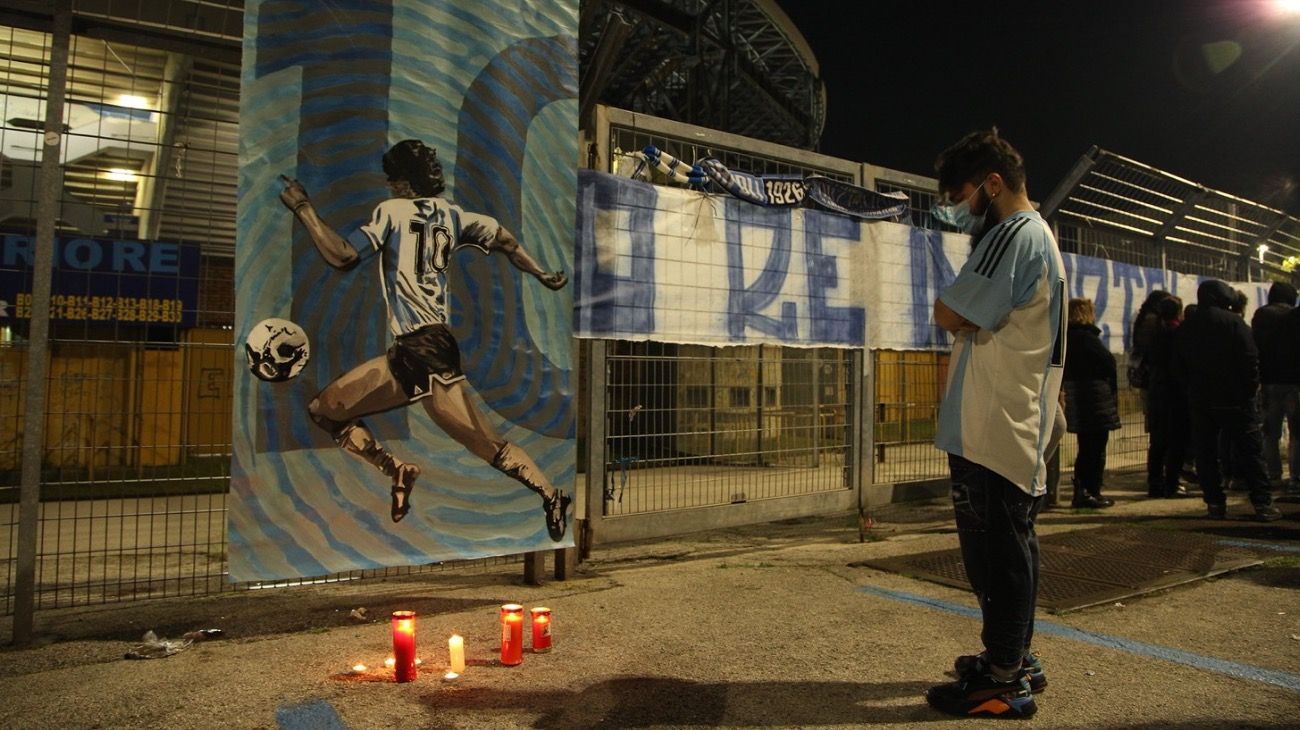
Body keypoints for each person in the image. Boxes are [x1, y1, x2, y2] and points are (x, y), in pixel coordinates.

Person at [279, 139, 573, 540]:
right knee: (326, 410)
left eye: (391, 180)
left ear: (400, 183)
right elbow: (505, 241)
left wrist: (304, 209)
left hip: (428, 351)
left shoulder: (392, 211)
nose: (387, 187)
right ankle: (397, 470)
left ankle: (551, 494)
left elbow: (344, 255)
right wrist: (541, 273)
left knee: (488, 445)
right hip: (408, 351)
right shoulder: (454, 215)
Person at [927, 128, 1065, 719]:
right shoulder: (1037, 234)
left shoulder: (1012, 232)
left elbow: (950, 311)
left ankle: (1002, 681)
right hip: (1007, 416)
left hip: (995, 421)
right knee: (1011, 545)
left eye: (960, 196)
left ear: (992, 184)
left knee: (997, 553)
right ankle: (1013, 656)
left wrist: (952, 314)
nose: (957, 210)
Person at [1173, 279, 1281, 521]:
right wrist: (1249, 389)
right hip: (1235, 399)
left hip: (1201, 399)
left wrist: (1191, 387)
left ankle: (1214, 503)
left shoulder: (1187, 326)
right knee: (1250, 452)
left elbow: (1177, 365)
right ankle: (1262, 503)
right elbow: (1250, 357)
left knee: (1206, 453)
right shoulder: (1233, 322)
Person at [1063, 298, 1120, 508]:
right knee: (1095, 448)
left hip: (1076, 396)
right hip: (1093, 398)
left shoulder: (1066, 337)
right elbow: (1108, 363)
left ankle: (1082, 490)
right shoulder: (1087, 338)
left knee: (1085, 447)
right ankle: (1090, 491)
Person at [1250, 281, 1298, 490]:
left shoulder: (1261, 316)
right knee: (1297, 432)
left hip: (1268, 381)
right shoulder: (1295, 316)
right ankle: (1296, 477)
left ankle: (1273, 474)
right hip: (1294, 382)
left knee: (1270, 431)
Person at [1144, 295, 1190, 498]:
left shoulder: (1153, 333)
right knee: (1177, 441)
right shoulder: (1180, 334)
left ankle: (1154, 483)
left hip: (1156, 390)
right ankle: (1172, 483)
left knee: (1158, 442)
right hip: (1176, 392)